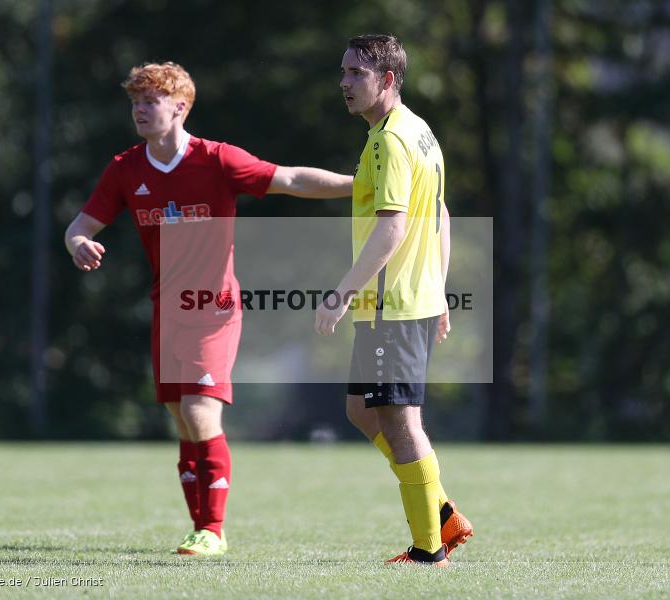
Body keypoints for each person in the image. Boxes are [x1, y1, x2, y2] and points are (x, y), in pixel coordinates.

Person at [65, 62, 352, 556]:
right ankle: (200, 525)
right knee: (181, 419)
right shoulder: (125, 168)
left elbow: (291, 179)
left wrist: (360, 184)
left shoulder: (216, 159)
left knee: (200, 412)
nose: (138, 110)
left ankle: (213, 530)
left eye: (149, 101)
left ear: (179, 107)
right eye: (135, 101)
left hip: (214, 307)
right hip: (167, 309)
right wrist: (77, 243)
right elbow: (80, 225)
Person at [315, 34, 473, 566]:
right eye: (343, 72)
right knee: (362, 411)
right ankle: (443, 510)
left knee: (403, 424)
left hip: (394, 308)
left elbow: (392, 230)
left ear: (386, 80)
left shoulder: (390, 141)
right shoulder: (417, 130)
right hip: (409, 301)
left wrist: (341, 292)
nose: (344, 82)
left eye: (356, 73)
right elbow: (442, 215)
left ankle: (430, 547)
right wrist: (441, 289)